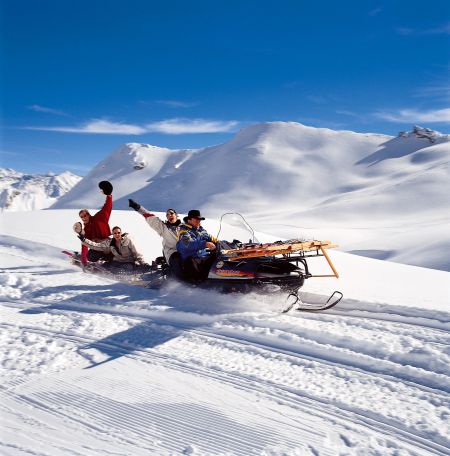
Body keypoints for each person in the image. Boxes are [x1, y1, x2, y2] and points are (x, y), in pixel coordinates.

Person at [128, 199, 184, 280]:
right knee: (177, 259)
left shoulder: (184, 227)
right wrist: (137, 207)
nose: (169, 215)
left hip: (184, 251)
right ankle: (181, 282)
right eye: (167, 215)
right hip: (172, 253)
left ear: (176, 215)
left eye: (171, 213)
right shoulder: (163, 227)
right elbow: (149, 216)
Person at [73, 181, 113, 265]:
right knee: (90, 256)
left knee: (111, 253)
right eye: (81, 217)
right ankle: (101, 262)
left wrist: (109, 196)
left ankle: (114, 261)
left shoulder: (100, 217)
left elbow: (107, 207)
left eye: (84, 215)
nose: (83, 218)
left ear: (88, 214)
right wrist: (84, 259)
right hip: (98, 248)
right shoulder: (86, 230)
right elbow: (84, 243)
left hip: (108, 246)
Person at [77, 226, 148, 270]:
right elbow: (97, 246)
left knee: (126, 269)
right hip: (117, 262)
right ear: (113, 234)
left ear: (121, 233)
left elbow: (137, 253)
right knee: (104, 267)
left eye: (118, 232)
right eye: (115, 233)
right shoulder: (110, 242)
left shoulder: (128, 240)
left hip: (129, 262)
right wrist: (84, 240)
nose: (117, 234)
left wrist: (143, 263)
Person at [176, 209, 218, 282]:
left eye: (199, 220)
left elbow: (213, 239)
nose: (199, 221)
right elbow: (187, 244)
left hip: (203, 257)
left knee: (217, 259)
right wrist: (205, 243)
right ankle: (197, 284)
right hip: (191, 260)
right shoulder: (184, 231)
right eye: (196, 219)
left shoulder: (201, 231)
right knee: (190, 262)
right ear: (189, 220)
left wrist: (228, 243)